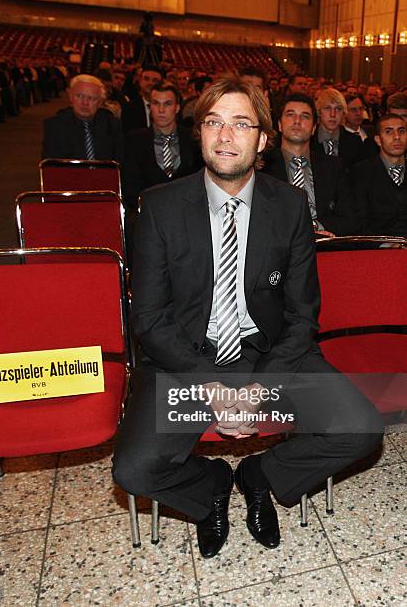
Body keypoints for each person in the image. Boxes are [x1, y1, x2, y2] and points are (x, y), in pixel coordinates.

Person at [112, 77, 383, 559]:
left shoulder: (290, 206)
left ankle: (262, 474)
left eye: (241, 124)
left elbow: (302, 314)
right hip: (184, 357)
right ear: (199, 134)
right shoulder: (158, 206)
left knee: (361, 428)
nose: (224, 136)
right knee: (134, 470)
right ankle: (211, 485)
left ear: (262, 139)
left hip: (269, 351)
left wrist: (262, 387)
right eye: (213, 122)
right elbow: (149, 319)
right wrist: (212, 389)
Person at [263, 93, 359, 235]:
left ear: (314, 128)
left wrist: (315, 226)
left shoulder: (334, 167)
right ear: (279, 125)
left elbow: (349, 219)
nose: (297, 121)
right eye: (290, 115)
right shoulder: (263, 166)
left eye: (305, 116)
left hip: (325, 247)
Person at [122, 81, 202, 211]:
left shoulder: (193, 139)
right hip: (147, 214)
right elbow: (130, 188)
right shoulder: (133, 141)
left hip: (187, 213)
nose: (161, 110)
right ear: (150, 107)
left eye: (167, 104)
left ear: (177, 108)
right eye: (156, 103)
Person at [41, 74, 123, 161]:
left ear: (100, 102)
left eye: (91, 98)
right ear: (71, 97)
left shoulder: (112, 125)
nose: (85, 103)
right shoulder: (54, 126)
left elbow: (119, 162)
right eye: (80, 96)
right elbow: (51, 166)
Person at [351, 113, 407, 237]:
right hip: (378, 247)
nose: (397, 137)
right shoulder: (360, 172)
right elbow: (359, 221)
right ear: (378, 140)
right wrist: (385, 244)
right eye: (389, 132)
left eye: (402, 131)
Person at [312, 88, 364, 169]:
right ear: (319, 112)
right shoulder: (308, 140)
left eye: (338, 109)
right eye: (327, 108)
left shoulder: (355, 142)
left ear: (343, 113)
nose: (333, 114)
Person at [121, 65, 163, 133]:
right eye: (146, 79)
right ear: (140, 81)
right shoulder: (129, 108)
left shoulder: (167, 108)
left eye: (155, 80)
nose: (150, 83)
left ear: (161, 84)